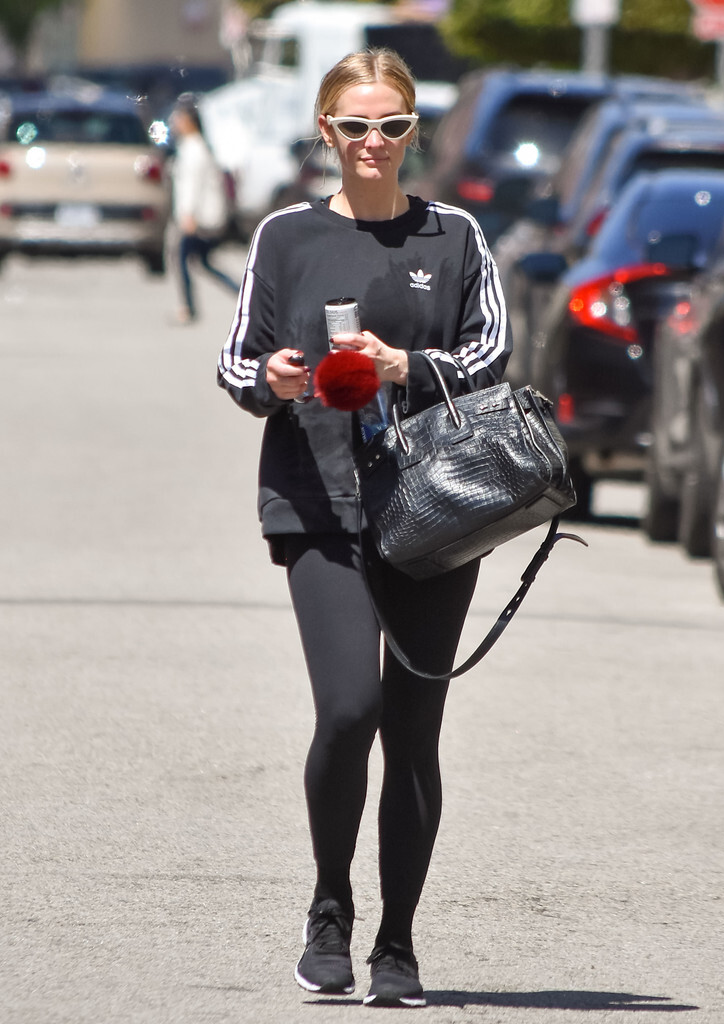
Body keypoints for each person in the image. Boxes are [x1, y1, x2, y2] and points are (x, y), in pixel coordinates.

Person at [217, 49, 511, 1007]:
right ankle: (329, 910)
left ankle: (396, 944)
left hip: (435, 508)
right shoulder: (286, 235)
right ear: (326, 131)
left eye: (390, 125)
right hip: (318, 502)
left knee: (413, 730)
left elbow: (492, 350)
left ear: (413, 130)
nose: (372, 141)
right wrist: (275, 379)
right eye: (354, 125)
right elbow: (237, 362)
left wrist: (403, 366)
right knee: (349, 710)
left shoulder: (454, 235)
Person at [168, 95, 239, 324]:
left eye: (179, 118)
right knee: (203, 262)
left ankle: (188, 308)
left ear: (189, 121)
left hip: (199, 218)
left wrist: (188, 215)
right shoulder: (195, 146)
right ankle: (242, 294)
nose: (175, 122)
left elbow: (191, 185)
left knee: (182, 258)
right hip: (204, 216)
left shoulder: (193, 149)